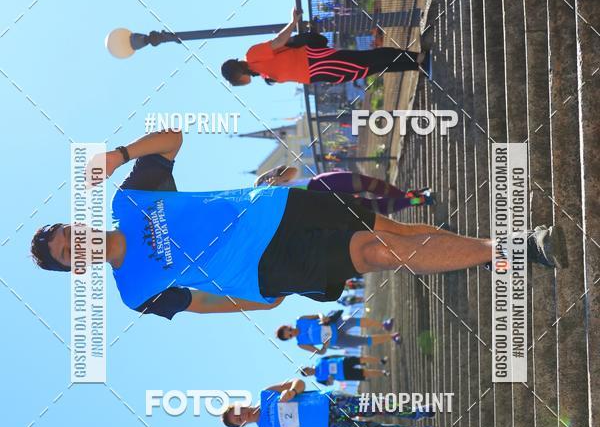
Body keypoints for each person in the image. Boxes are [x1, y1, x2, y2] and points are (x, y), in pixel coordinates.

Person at [30, 130, 568, 318]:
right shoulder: (135, 293)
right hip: (263, 268)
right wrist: (256, 303)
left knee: (391, 233)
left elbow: (171, 139)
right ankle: (521, 249)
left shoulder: (129, 199)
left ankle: (503, 245)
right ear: (76, 268)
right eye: (66, 252)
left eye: (67, 232)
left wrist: (118, 154)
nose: (75, 242)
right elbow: (198, 303)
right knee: (374, 252)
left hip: (278, 208)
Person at [221, 7, 432, 87]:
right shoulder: (262, 74)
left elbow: (278, 42)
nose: (239, 83)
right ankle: (415, 65)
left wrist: (293, 22)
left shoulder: (251, 56)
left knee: (366, 60)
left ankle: (416, 58)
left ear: (237, 72)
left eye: (235, 80)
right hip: (316, 74)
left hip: (315, 61)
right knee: (367, 68)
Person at [220, 377, 435, 427]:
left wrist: (292, 391)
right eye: (239, 420)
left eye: (238, 411)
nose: (242, 416)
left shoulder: (266, 393)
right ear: (241, 425)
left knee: (374, 405)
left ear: (240, 405)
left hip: (330, 402)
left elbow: (299, 382)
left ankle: (417, 411)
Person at [255, 163, 435, 215]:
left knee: (368, 183)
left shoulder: (259, 183)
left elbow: (292, 171)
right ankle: (415, 199)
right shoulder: (262, 209)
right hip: (321, 205)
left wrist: (279, 178)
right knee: (370, 207)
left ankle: (408, 196)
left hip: (318, 184)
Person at [277, 313, 400, 352]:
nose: (290, 333)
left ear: (287, 326)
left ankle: (384, 325)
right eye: (289, 336)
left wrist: (322, 318)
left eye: (288, 330)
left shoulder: (300, 320)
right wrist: (325, 345)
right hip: (335, 340)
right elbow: (320, 352)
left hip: (334, 324)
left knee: (353, 321)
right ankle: (392, 337)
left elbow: (318, 314)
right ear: (290, 338)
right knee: (363, 341)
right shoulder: (301, 344)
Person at [301, 355, 389, 385]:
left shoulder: (318, 360)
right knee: (365, 373)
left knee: (361, 359)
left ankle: (381, 361)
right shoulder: (318, 379)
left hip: (343, 362)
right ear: (308, 376)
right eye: (307, 374)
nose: (309, 372)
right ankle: (383, 373)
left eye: (307, 370)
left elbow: (333, 356)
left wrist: (343, 356)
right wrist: (330, 379)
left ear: (308, 367)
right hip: (344, 374)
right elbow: (329, 384)